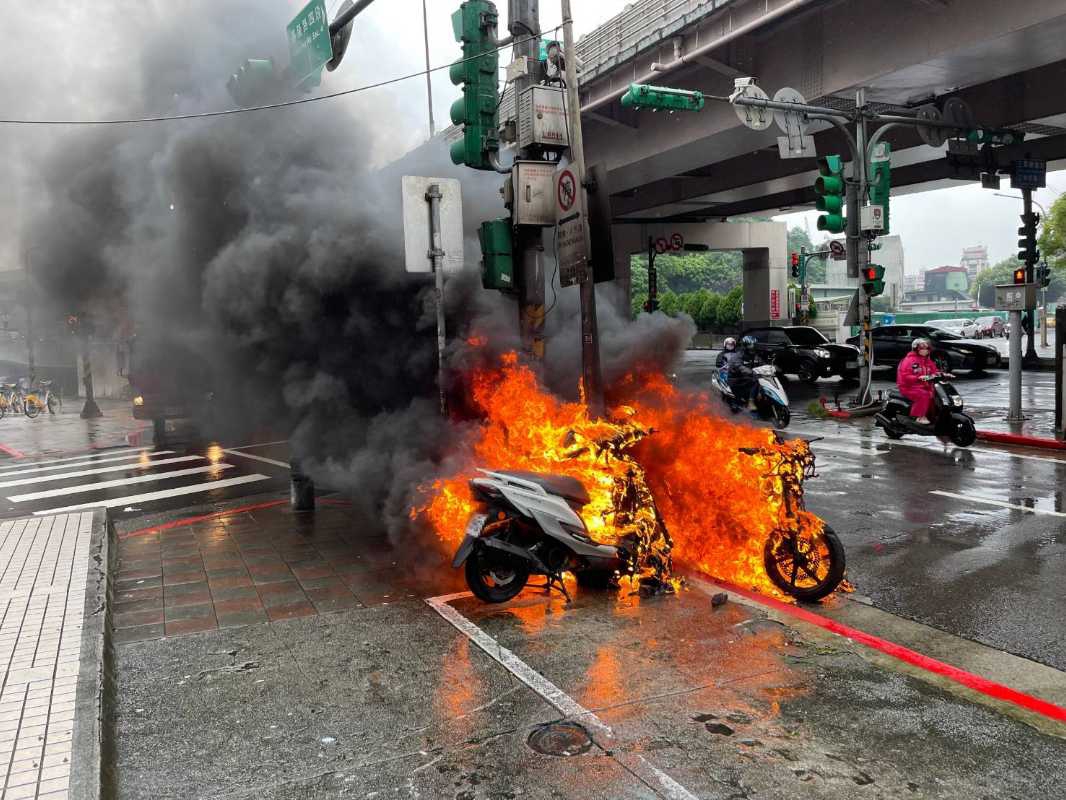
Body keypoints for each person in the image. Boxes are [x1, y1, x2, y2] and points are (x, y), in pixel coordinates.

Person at [896, 338, 939, 425]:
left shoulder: (927, 361)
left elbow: (935, 371)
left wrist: (943, 374)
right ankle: (918, 416)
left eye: (927, 349)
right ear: (916, 349)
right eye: (922, 348)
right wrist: (918, 377)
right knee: (924, 395)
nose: (925, 351)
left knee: (937, 396)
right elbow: (905, 376)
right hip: (908, 387)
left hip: (924, 386)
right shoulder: (909, 361)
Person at [726, 335, 759, 408]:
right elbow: (739, 367)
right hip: (736, 379)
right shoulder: (738, 356)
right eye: (750, 346)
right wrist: (751, 372)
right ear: (744, 346)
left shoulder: (753, 355)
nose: (753, 347)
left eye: (754, 345)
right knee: (754, 381)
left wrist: (772, 367)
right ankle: (751, 402)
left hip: (745, 377)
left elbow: (761, 362)